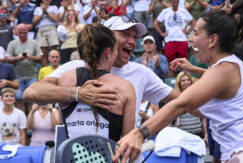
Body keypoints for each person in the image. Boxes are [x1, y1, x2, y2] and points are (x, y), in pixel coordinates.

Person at [112, 0, 243, 162]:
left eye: (196, 33)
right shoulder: (235, 66)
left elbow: (181, 105)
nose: (190, 39)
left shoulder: (223, 70)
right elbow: (207, 97)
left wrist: (140, 133)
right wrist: (195, 69)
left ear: (212, 40)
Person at [23, 16, 179, 128]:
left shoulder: (141, 72)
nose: (132, 41)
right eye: (125, 34)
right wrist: (78, 93)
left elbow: (182, 101)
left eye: (134, 36)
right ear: (108, 38)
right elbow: (31, 92)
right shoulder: (74, 68)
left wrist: (144, 132)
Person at [58, 24, 136, 141]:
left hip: (71, 157)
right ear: (108, 52)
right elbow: (127, 140)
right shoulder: (125, 88)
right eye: (115, 50)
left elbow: (62, 123)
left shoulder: (65, 79)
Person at [5, 24, 42, 113]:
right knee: (19, 100)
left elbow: (40, 57)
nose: (22, 35)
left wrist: (31, 57)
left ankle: (31, 123)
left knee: (31, 100)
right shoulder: (12, 43)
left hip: (32, 75)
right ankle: (21, 123)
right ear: (17, 33)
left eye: (24, 33)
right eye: (20, 33)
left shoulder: (34, 43)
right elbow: (7, 59)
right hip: (17, 77)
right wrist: (18, 58)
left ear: (27, 32)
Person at [154, 0, 195, 77]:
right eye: (174, 2)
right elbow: (156, 23)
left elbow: (193, 22)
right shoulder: (165, 11)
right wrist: (162, 33)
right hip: (170, 40)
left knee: (183, 64)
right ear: (170, 2)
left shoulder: (183, 11)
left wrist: (187, 31)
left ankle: (184, 84)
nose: (175, 4)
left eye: (177, 2)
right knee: (171, 65)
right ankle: (171, 84)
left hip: (182, 40)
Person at [174, 71, 206, 139]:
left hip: (198, 135)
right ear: (179, 83)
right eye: (183, 80)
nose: (186, 82)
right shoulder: (175, 98)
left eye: (188, 80)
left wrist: (206, 135)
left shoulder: (198, 97)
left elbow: (204, 117)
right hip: (182, 136)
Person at [32, 0, 59, 66]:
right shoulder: (38, 9)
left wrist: (46, 13)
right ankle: (44, 70)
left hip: (51, 28)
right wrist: (42, 14)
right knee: (43, 52)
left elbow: (55, 19)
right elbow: (34, 21)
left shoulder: (54, 7)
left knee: (53, 50)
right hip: (41, 29)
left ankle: (54, 68)